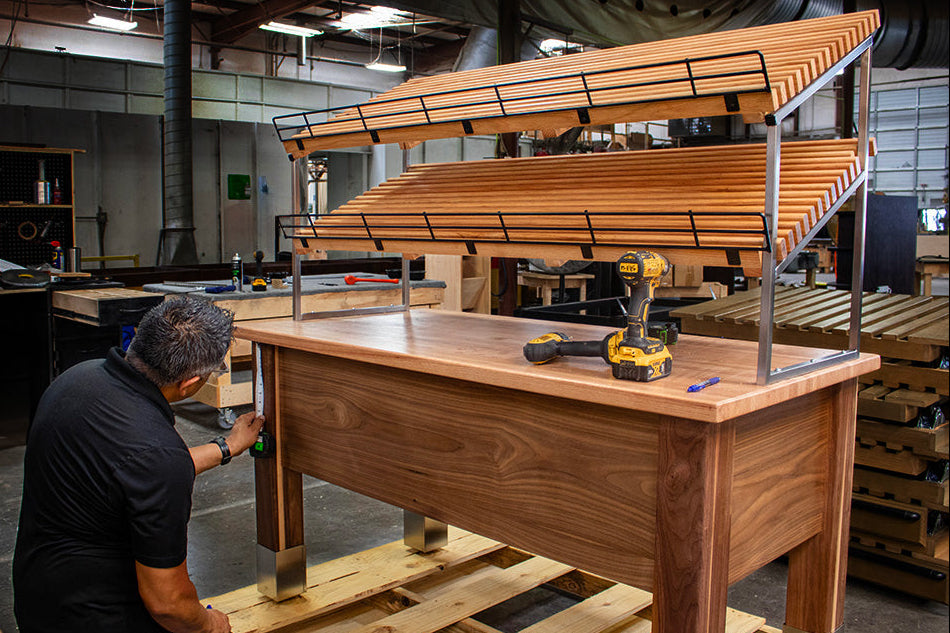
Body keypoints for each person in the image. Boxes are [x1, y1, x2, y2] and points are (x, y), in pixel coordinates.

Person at [13, 295, 265, 633]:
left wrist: (227, 446)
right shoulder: (157, 456)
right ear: (190, 382)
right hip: (99, 618)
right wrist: (211, 624)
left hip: (37, 598)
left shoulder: (76, 381)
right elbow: (169, 605)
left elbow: (131, 471)